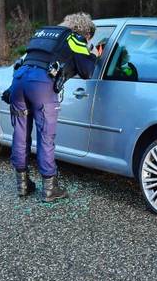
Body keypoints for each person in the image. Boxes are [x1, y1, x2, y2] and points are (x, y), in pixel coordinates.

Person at [9, 12, 97, 202]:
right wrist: (94, 54)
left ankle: (22, 184)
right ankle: (50, 189)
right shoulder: (74, 38)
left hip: (18, 80)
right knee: (45, 137)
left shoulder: (43, 34)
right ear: (86, 31)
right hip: (40, 84)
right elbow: (87, 71)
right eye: (89, 37)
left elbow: (25, 59)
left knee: (20, 134)